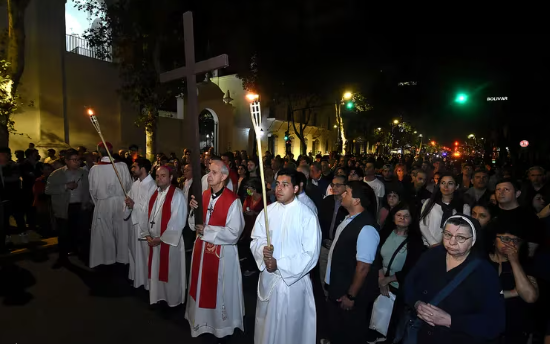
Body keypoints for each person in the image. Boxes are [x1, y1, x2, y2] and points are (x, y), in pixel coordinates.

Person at [404, 215, 505, 344]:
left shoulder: (484, 272)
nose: (451, 242)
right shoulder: (432, 255)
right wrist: (416, 303)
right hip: (422, 336)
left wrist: (450, 320)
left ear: (473, 240)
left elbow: (495, 323)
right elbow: (409, 282)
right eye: (447, 235)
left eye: (461, 238)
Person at [251, 168, 321, 344]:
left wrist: (280, 264)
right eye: (277, 184)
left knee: (289, 330)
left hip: (292, 284)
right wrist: (262, 251)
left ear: (296, 188)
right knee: (266, 326)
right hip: (268, 280)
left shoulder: (307, 215)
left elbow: (311, 254)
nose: (279, 189)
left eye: (285, 185)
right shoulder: (267, 212)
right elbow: (256, 239)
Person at [186, 160, 245, 341]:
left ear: (224, 177)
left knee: (220, 290)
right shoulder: (203, 195)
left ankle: (220, 325)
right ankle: (201, 321)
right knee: (200, 284)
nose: (209, 175)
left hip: (223, 255)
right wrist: (192, 212)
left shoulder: (233, 201)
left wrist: (207, 230)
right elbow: (192, 226)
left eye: (214, 172)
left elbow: (234, 233)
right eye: (209, 171)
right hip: (201, 251)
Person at [324, 181, 381, 344]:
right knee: (336, 330)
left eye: (346, 192)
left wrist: (351, 295)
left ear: (357, 200)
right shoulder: (349, 219)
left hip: (348, 294)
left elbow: (363, 267)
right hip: (338, 287)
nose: (342, 194)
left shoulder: (366, 228)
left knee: (349, 334)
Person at [144, 166, 187, 306]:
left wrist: (161, 239)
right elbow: (148, 215)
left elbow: (178, 221)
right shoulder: (155, 194)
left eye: (163, 175)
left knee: (171, 272)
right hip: (155, 240)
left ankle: (172, 300)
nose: (159, 178)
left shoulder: (177, 195)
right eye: (157, 175)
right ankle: (158, 296)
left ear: (171, 178)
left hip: (169, 242)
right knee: (156, 271)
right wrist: (147, 233)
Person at [88, 142, 133, 268]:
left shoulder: (95, 169)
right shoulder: (123, 166)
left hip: (104, 203)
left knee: (104, 232)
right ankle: (123, 257)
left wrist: (99, 203)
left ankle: (107, 259)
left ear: (98, 152)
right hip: (120, 202)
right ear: (112, 150)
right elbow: (129, 185)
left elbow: (93, 191)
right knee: (122, 230)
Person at [45, 149, 90, 267]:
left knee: (80, 231)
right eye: (74, 160)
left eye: (79, 160)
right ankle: (62, 257)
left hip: (80, 206)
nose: (77, 162)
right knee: (63, 233)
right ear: (66, 161)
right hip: (64, 207)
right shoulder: (57, 174)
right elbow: (48, 190)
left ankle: (79, 252)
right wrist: (65, 186)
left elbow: (88, 189)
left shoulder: (84, 173)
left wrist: (87, 202)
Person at [123, 158, 157, 289]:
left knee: (144, 255)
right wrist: (127, 204)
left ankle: (147, 283)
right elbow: (129, 199)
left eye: (134, 167)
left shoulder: (152, 186)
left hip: (144, 226)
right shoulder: (135, 184)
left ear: (142, 168)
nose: (132, 169)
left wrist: (134, 205)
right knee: (133, 251)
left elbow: (151, 208)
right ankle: (136, 278)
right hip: (134, 224)